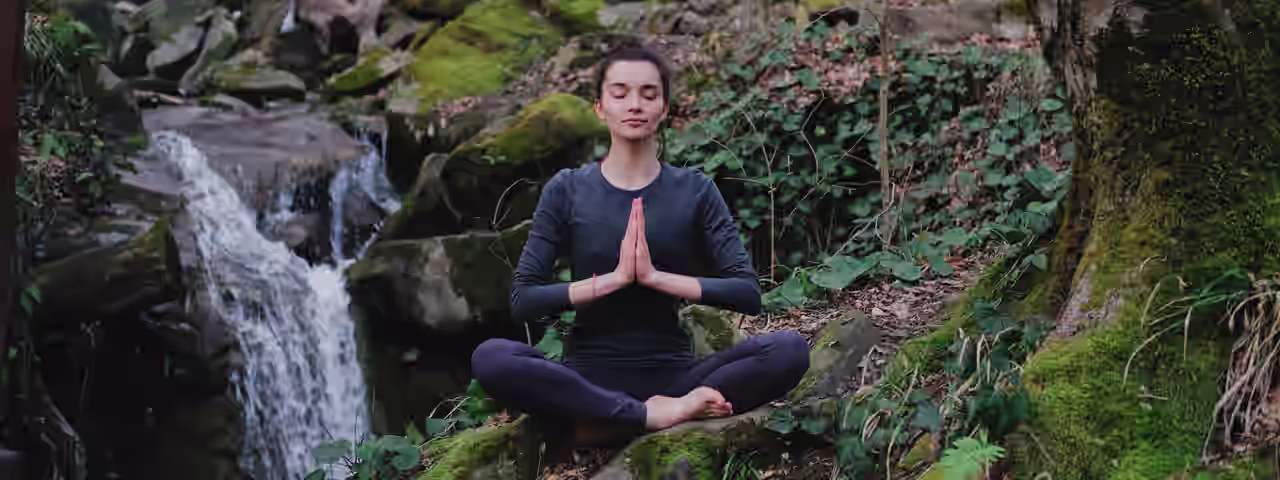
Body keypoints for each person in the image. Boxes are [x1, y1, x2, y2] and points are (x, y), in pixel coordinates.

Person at [470, 45, 810, 446]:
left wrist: (654, 277)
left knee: (789, 350)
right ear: (599, 107)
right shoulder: (567, 189)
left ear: (664, 108)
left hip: (675, 378)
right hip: (584, 381)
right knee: (490, 357)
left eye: (649, 94)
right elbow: (523, 300)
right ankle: (648, 417)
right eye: (620, 93)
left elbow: (748, 294)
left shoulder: (695, 190)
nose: (635, 105)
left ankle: (605, 425)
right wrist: (610, 280)